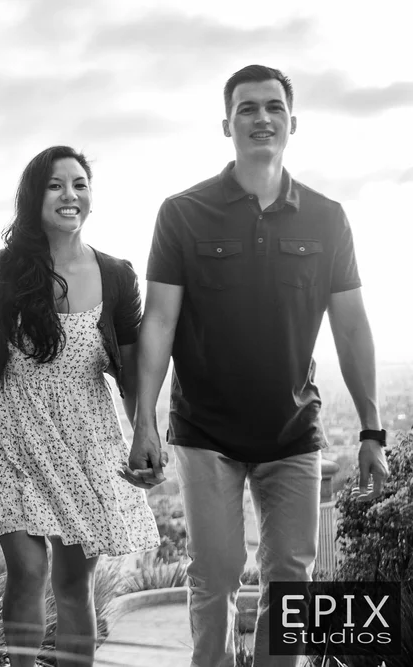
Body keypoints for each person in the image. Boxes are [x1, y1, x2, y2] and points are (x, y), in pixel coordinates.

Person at [125, 64, 391, 667]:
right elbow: (159, 322)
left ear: (293, 123)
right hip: (205, 429)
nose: (261, 118)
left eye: (274, 107)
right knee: (215, 573)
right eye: (247, 108)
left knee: (292, 580)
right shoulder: (182, 212)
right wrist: (145, 422)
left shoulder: (327, 217)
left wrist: (372, 429)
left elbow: (351, 326)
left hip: (293, 430)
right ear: (227, 125)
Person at [0, 145, 160, 667]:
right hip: (11, 439)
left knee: (75, 585)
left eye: (79, 184)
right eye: (56, 185)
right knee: (28, 572)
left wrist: (144, 434)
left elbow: (132, 376)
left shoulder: (118, 276)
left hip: (86, 445)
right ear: (34, 196)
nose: (69, 195)